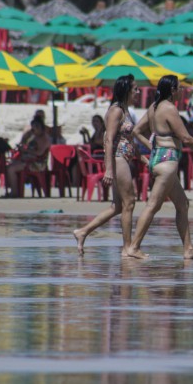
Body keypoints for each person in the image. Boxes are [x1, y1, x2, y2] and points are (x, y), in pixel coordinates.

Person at [126, 75, 193, 260]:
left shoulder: (154, 107)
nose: (182, 90)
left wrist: (152, 148)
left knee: (182, 204)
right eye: (180, 88)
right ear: (173, 90)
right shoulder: (169, 108)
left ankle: (188, 249)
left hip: (158, 159)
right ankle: (133, 247)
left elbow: (136, 131)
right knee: (153, 206)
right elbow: (185, 138)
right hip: (167, 163)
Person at [72, 74, 142, 255]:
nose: (138, 92)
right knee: (129, 203)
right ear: (126, 90)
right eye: (135, 88)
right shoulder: (116, 110)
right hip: (118, 160)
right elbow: (109, 140)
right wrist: (109, 170)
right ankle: (127, 248)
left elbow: (129, 140)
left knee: (117, 207)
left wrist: (144, 159)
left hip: (124, 159)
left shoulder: (125, 110)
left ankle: (82, 232)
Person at [5, 115, 51, 197]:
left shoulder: (45, 138)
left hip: (37, 163)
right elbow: (24, 144)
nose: (33, 131)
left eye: (34, 129)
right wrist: (25, 138)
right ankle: (14, 190)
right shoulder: (33, 136)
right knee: (9, 165)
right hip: (27, 160)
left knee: (11, 169)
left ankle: (15, 192)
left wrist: (26, 150)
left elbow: (39, 153)